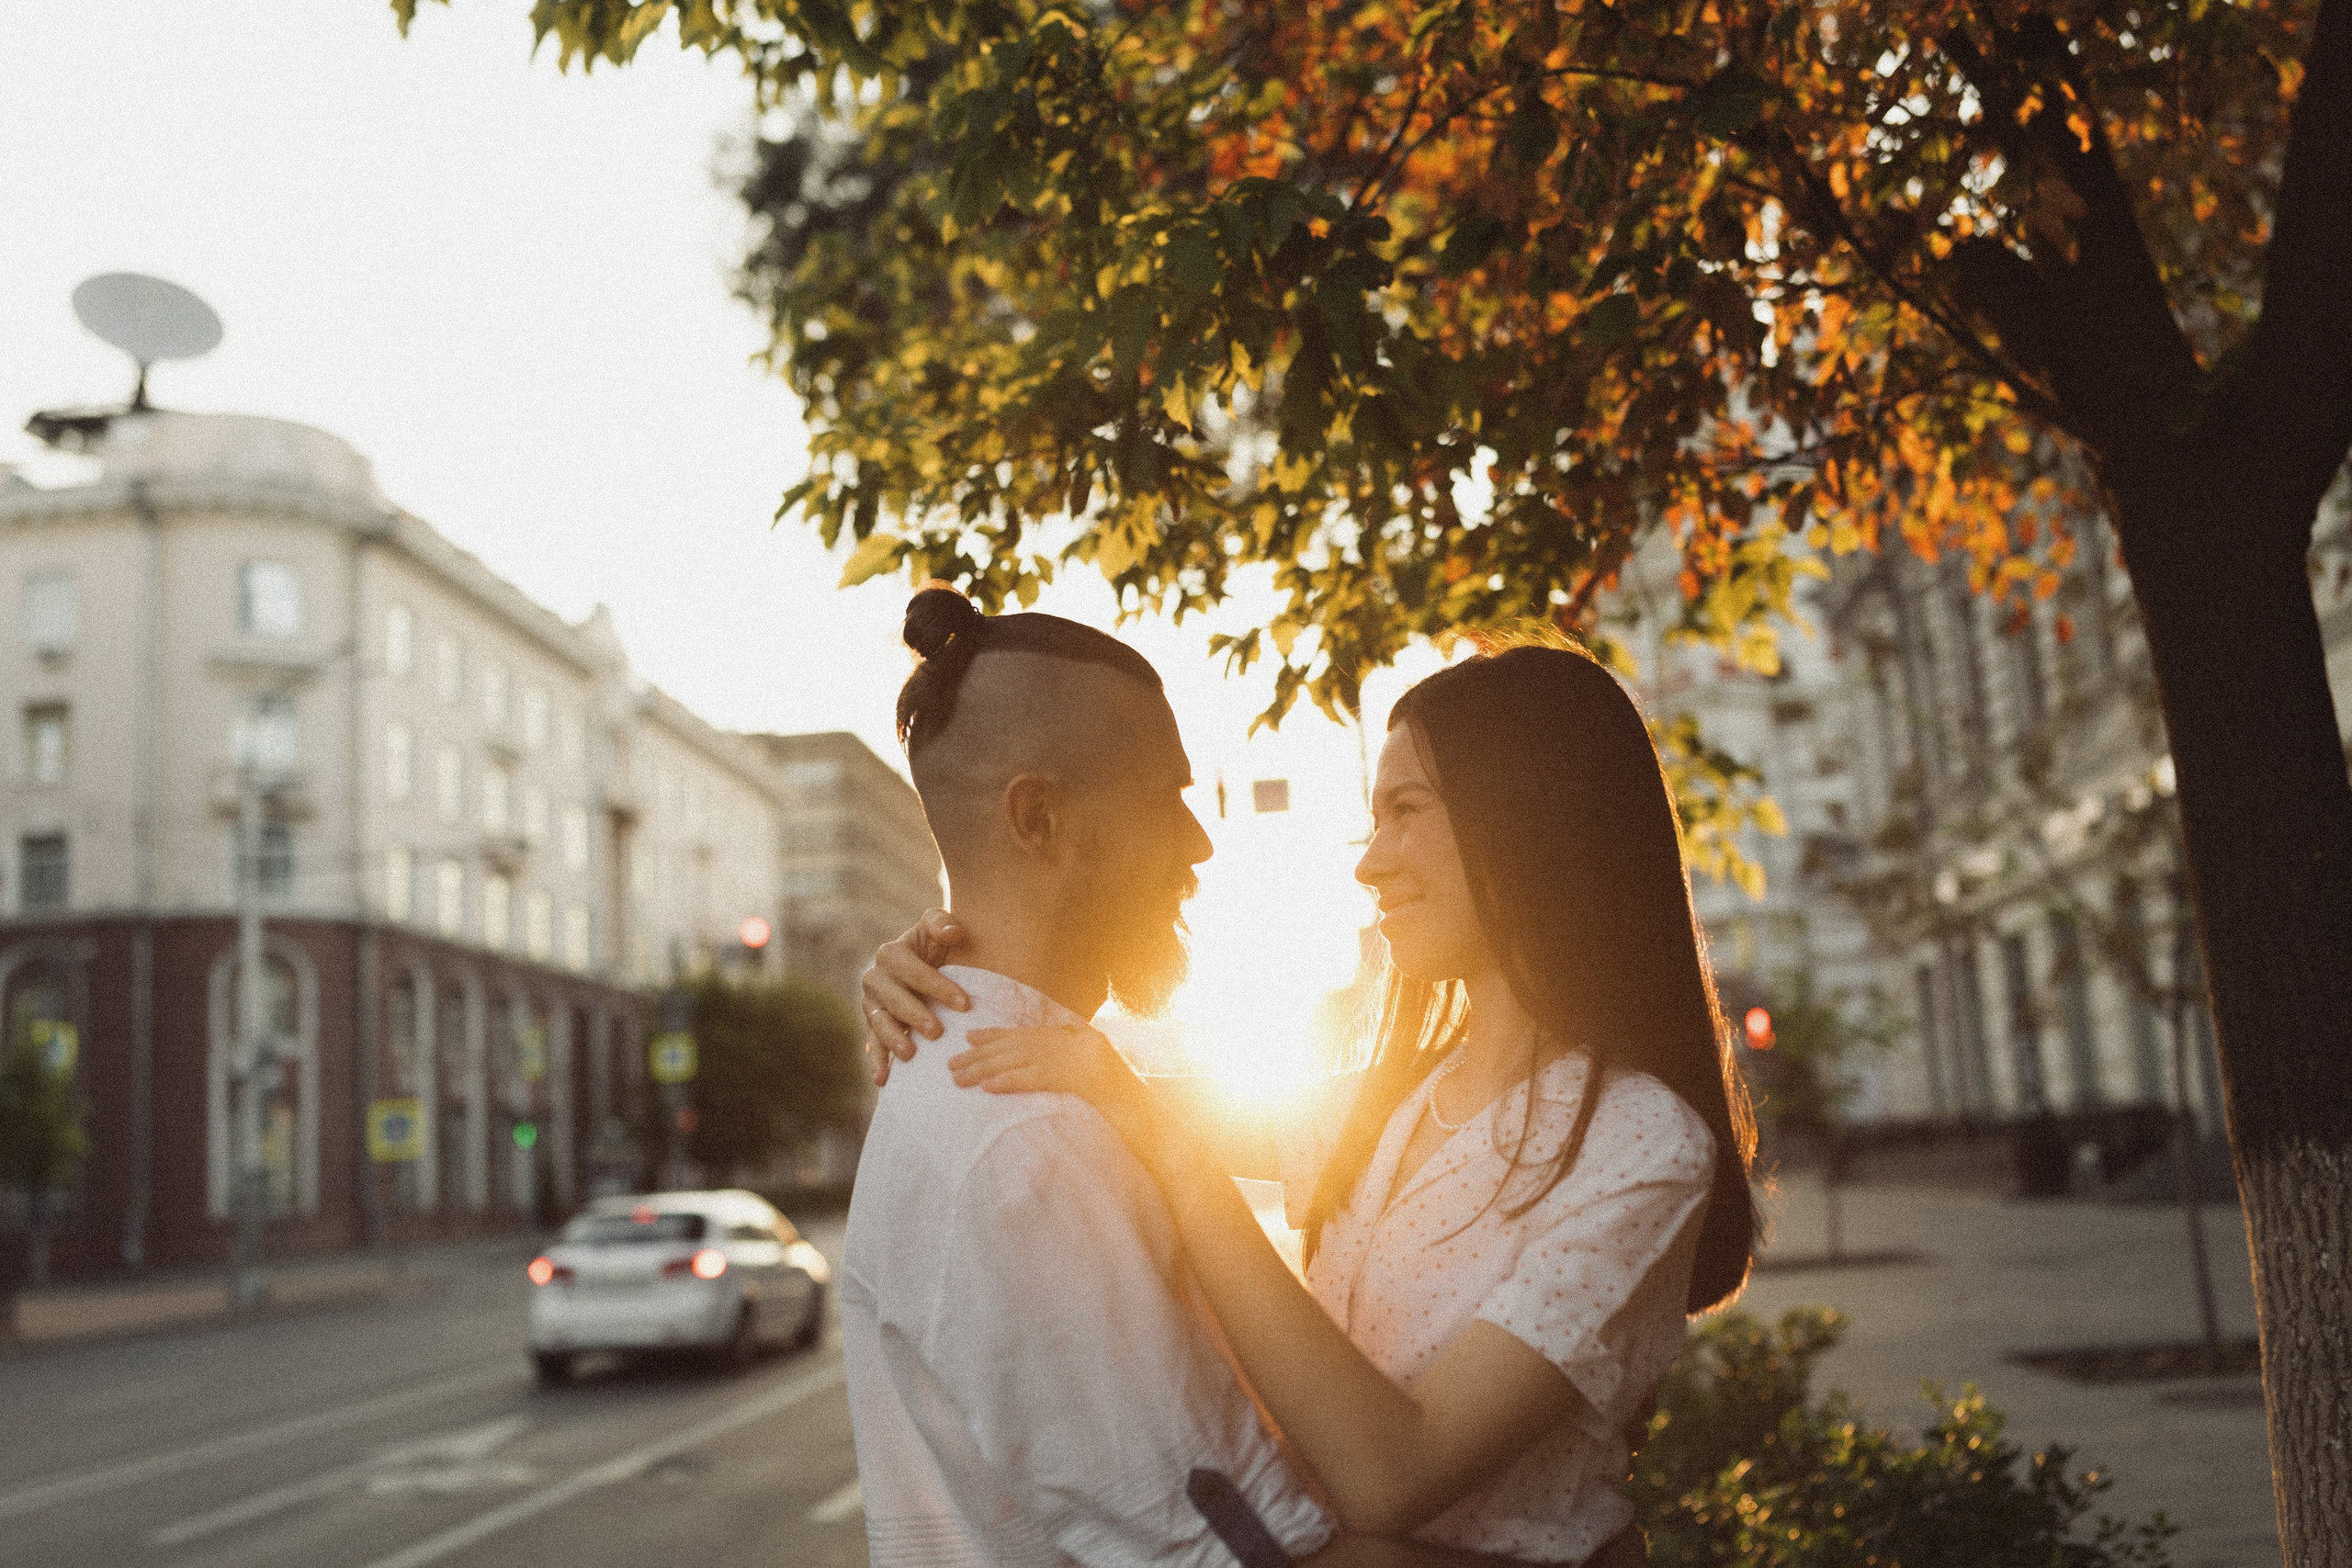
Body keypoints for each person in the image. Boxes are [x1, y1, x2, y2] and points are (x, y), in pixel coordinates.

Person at [864, 642, 1760, 1567]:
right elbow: (1079, 1085)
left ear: (1531, 819)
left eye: (1405, 812)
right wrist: (934, 965)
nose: (1371, 866)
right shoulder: (1378, 1106)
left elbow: (1391, 1478)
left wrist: (1178, 1159)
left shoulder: (1640, 1143)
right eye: (1371, 822)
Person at [842, 586, 1529, 1568]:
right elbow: (1249, 1556)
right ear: (1037, 818)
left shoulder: (1027, 1081)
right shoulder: (1020, 1132)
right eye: (1168, 797)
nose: (1201, 843)